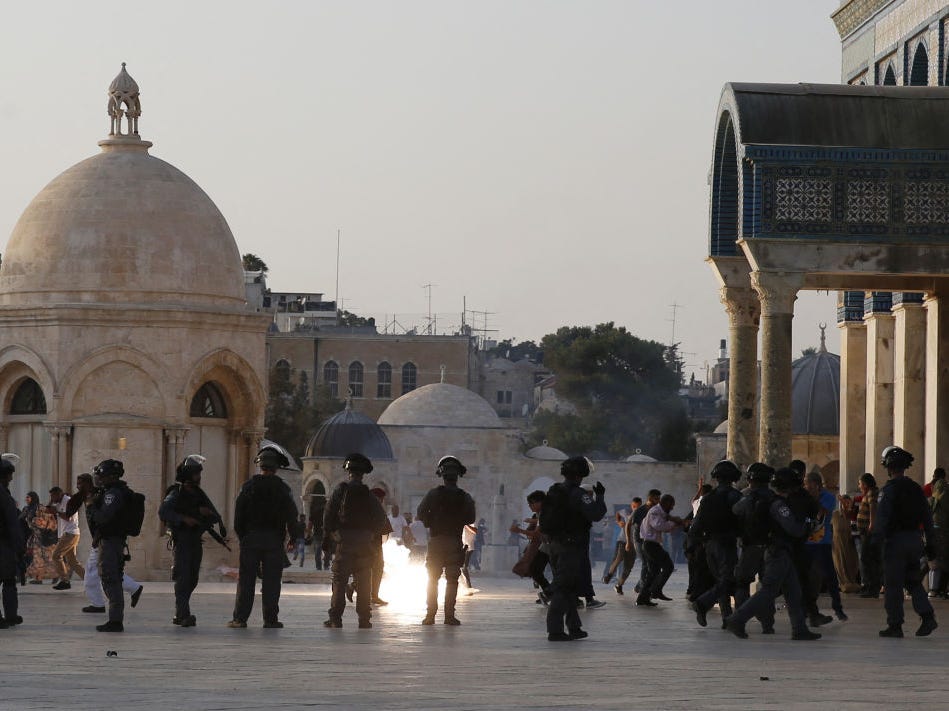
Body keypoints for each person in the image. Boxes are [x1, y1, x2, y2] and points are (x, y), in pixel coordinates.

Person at [724, 467, 822, 641]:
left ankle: (799, 629)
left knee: (794, 592)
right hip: (779, 552)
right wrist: (809, 525)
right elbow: (793, 528)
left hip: (781, 551)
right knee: (768, 591)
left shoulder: (766, 500)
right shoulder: (779, 505)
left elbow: (736, 510)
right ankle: (737, 619)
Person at [227, 446, 301, 629]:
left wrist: (244, 537)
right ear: (276, 467)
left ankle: (240, 619)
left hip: (251, 540)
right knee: (272, 583)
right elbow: (292, 516)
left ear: (260, 465)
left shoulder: (248, 487)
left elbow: (238, 518)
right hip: (274, 541)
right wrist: (293, 537)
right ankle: (270, 620)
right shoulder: (283, 489)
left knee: (246, 581)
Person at [874, 446, 938, 638]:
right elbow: (928, 518)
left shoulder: (888, 491)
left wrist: (875, 544)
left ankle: (895, 624)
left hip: (895, 543)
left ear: (888, 467)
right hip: (914, 541)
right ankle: (927, 617)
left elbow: (882, 520)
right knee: (913, 581)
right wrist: (930, 544)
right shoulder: (917, 489)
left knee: (893, 585)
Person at [539, 456, 605, 640]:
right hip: (571, 546)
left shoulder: (554, 491)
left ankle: (574, 627)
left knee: (570, 587)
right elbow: (597, 514)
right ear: (580, 474)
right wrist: (600, 496)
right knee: (563, 588)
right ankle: (555, 630)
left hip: (555, 545)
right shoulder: (578, 494)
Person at [159, 454, 226, 627]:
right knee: (183, 577)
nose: (199, 477)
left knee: (193, 579)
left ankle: (181, 611)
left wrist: (205, 514)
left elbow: (214, 515)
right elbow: (164, 512)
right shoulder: (176, 492)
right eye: (196, 474)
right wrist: (184, 519)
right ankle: (182, 614)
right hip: (182, 541)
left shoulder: (198, 493)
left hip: (195, 541)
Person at [323, 453, 387, 629]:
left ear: (348, 471)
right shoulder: (368, 495)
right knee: (365, 580)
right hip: (364, 544)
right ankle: (364, 620)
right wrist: (370, 534)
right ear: (363, 474)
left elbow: (328, 516)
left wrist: (330, 537)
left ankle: (335, 619)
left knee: (339, 581)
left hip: (344, 542)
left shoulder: (340, 491)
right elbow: (381, 519)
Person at [69, 473, 143, 615]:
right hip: (102, 539)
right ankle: (132, 589)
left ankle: (102, 604)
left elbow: (103, 518)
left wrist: (97, 537)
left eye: (81, 483)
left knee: (103, 572)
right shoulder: (88, 495)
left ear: (88, 483)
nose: (78, 486)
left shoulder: (98, 496)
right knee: (103, 571)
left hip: (104, 539)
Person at [417, 456, 477, 625]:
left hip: (436, 541)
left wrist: (430, 521)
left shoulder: (433, 494)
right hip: (454, 541)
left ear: (442, 475)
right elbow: (471, 517)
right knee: (452, 580)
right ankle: (449, 616)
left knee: (432, 579)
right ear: (457, 476)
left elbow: (421, 512)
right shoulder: (464, 496)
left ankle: (430, 615)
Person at [689, 460, 742, 627]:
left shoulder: (707, 498)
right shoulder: (735, 496)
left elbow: (695, 526)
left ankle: (727, 619)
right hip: (726, 543)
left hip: (709, 545)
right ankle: (702, 603)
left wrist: (697, 543)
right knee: (726, 580)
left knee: (721, 581)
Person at [785, 460, 833, 628]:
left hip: (807, 544)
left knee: (807, 580)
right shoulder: (794, 496)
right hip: (795, 546)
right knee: (781, 584)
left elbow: (820, 515)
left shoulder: (793, 496)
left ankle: (809, 616)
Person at [88, 459, 132, 632]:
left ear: (111, 476)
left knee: (110, 577)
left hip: (111, 541)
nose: (99, 479)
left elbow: (103, 518)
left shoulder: (112, 494)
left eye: (102, 475)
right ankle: (115, 619)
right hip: (112, 540)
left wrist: (91, 506)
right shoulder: (113, 491)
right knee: (111, 578)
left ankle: (115, 621)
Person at [731, 462, 776, 634]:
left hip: (750, 547)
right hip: (770, 549)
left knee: (742, 584)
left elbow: (735, 512)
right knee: (767, 587)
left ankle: (740, 619)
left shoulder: (745, 497)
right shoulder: (773, 497)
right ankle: (767, 623)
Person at [803, 471, 847, 621]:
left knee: (830, 576)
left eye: (807, 483)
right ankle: (808, 608)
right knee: (808, 577)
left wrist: (813, 499)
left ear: (815, 485)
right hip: (807, 542)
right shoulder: (805, 497)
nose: (805, 487)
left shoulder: (827, 497)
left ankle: (838, 607)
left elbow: (820, 514)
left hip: (822, 542)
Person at [637, 494, 684, 607]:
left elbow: (664, 528)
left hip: (652, 544)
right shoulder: (655, 511)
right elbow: (659, 526)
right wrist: (675, 522)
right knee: (668, 566)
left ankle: (642, 598)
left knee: (653, 572)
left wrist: (674, 523)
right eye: (671, 505)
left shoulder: (660, 513)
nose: (672, 508)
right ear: (666, 503)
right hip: (650, 545)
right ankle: (656, 590)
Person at [511, 490, 550, 603]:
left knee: (536, 569)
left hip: (550, 546)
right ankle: (548, 593)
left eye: (531, 503)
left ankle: (551, 593)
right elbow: (533, 530)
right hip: (545, 546)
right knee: (535, 570)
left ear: (539, 502)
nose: (530, 506)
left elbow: (537, 533)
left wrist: (518, 530)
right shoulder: (539, 515)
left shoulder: (545, 514)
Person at [0, 453, 25, 628]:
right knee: (8, 580)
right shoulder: (3, 494)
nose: (10, 479)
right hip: (3, 544)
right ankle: (9, 616)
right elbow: (11, 522)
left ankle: (11, 615)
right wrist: (19, 546)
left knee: (8, 581)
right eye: (9, 475)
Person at [47, 486, 85, 590]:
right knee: (72, 561)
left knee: (56, 555)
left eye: (53, 495)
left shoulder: (68, 501)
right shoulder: (58, 502)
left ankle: (64, 580)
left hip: (71, 533)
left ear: (59, 494)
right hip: (65, 534)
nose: (52, 498)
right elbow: (47, 510)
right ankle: (89, 579)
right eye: (51, 496)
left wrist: (57, 512)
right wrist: (51, 501)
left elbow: (68, 517)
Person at [603, 499, 639, 595]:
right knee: (619, 558)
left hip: (634, 543)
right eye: (634, 506)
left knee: (628, 567)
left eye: (638, 506)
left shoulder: (642, 514)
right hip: (623, 540)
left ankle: (619, 585)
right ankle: (609, 575)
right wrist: (619, 522)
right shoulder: (626, 512)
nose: (636, 508)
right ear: (632, 505)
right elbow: (618, 513)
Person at [856, 472, 882, 598]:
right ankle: (871, 586)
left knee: (866, 559)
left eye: (860, 483)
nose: (859, 486)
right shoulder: (868, 493)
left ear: (865, 484)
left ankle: (869, 586)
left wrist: (872, 523)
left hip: (868, 531)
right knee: (869, 559)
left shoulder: (871, 493)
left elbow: (873, 507)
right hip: (866, 531)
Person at [23, 491, 57, 584]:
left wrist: (36, 521)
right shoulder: (28, 509)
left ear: (33, 498)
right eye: (26, 497)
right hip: (37, 537)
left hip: (45, 536)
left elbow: (49, 520)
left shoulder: (40, 508)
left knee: (49, 557)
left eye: (28, 497)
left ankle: (58, 575)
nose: (26, 499)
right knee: (37, 558)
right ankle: (38, 578)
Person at [632, 490, 660, 595]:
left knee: (652, 564)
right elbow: (632, 525)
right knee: (645, 563)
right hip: (639, 540)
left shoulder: (656, 510)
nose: (658, 501)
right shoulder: (640, 511)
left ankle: (639, 586)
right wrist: (629, 543)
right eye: (657, 498)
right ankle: (643, 590)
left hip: (650, 541)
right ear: (650, 498)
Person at [832, 494, 861, 593]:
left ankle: (852, 582)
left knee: (852, 563)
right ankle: (843, 584)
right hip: (838, 543)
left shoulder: (853, 514)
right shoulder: (835, 514)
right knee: (840, 563)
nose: (845, 504)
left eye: (847, 502)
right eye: (843, 502)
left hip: (850, 543)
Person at [930, 470, 949, 598]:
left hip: (934, 529)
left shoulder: (932, 497)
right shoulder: (944, 492)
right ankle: (940, 588)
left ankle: (933, 589)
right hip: (944, 530)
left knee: (933, 561)